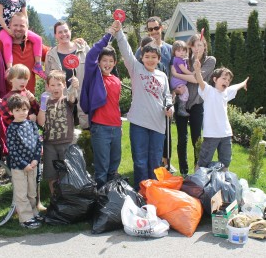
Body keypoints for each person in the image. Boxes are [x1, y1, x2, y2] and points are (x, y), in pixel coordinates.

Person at [109, 20, 173, 191]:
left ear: (159, 59)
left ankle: (154, 192)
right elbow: (126, 51)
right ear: (142, 58)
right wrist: (120, 33)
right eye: (147, 57)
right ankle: (141, 192)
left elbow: (166, 95)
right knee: (140, 160)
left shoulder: (162, 76)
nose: (150, 60)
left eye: (154, 57)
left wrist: (170, 106)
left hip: (158, 125)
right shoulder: (136, 69)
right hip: (139, 123)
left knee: (155, 160)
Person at [0, 64, 45, 211]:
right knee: (20, 180)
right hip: (17, 144)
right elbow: (4, 117)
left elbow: (38, 112)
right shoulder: (8, 98)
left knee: (35, 176)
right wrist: (24, 119)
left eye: (26, 78)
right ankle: (21, 207)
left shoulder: (27, 94)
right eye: (19, 78)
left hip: (31, 140)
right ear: (11, 79)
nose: (23, 81)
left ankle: (36, 204)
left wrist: (33, 101)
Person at [80, 33, 122, 189]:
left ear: (115, 63)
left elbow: (115, 104)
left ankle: (112, 198)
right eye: (104, 60)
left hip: (116, 128)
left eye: (111, 61)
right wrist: (109, 35)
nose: (108, 63)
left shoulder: (116, 80)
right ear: (99, 62)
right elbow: (91, 55)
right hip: (100, 128)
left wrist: (119, 126)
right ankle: (100, 200)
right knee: (102, 168)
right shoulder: (94, 76)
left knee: (114, 166)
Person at [171, 33, 216, 176]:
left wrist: (178, 75)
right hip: (182, 103)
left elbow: (198, 78)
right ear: (190, 47)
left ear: (205, 46)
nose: (197, 49)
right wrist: (175, 87)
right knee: (181, 139)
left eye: (200, 45)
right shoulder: (185, 60)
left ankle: (198, 172)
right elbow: (173, 77)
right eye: (195, 45)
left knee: (197, 138)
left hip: (197, 103)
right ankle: (184, 172)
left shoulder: (210, 60)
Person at [194, 65, 249, 171]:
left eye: (228, 80)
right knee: (203, 161)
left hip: (226, 134)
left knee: (225, 162)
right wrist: (197, 70)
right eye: (224, 78)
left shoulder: (226, 93)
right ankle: (194, 183)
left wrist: (244, 83)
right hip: (211, 134)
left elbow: (236, 86)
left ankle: (224, 183)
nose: (227, 81)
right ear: (215, 79)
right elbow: (200, 81)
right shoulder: (208, 91)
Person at [0, 0, 46, 79]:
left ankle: (38, 65)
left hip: (20, 28)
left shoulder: (21, 1)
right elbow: (0, 16)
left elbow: (25, 17)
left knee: (38, 39)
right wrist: (7, 29)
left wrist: (26, 30)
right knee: (7, 42)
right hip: (4, 28)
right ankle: (10, 68)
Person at [37, 70, 79, 194]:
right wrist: (43, 106)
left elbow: (72, 98)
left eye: (59, 84)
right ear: (47, 86)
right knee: (52, 175)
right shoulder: (46, 101)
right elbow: (40, 122)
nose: (56, 88)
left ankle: (68, 199)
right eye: (52, 85)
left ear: (64, 85)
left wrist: (74, 87)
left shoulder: (66, 100)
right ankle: (54, 200)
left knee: (67, 173)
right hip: (49, 144)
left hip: (66, 143)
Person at [6, 94, 43, 229]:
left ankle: (33, 212)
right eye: (17, 110)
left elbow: (39, 143)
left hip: (33, 165)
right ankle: (25, 218)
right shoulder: (12, 128)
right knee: (21, 193)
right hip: (19, 167)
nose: (21, 113)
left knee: (32, 192)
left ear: (28, 110)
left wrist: (35, 160)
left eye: (24, 109)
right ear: (11, 112)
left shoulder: (32, 125)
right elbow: (12, 149)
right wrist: (23, 164)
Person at [45, 21, 90, 130]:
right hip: (63, 102)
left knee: (87, 136)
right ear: (55, 35)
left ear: (70, 31)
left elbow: (94, 69)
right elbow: (47, 81)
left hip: (83, 99)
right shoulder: (51, 55)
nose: (64, 34)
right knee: (66, 137)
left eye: (66, 31)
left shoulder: (83, 48)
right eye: (60, 32)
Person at [170, 40, 191, 117]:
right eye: (178, 51)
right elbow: (183, 70)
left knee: (182, 92)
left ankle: (180, 106)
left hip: (177, 79)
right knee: (185, 91)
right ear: (174, 52)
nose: (181, 52)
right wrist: (192, 74)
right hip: (177, 80)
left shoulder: (181, 59)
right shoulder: (178, 59)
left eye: (183, 50)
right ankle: (181, 109)